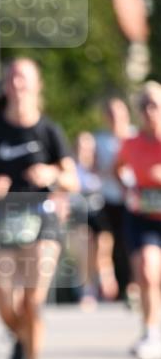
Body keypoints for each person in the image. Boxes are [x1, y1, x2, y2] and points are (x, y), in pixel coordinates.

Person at [0, 59, 79, 359]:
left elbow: (73, 179)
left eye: (24, 78)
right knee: (4, 299)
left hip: (41, 218)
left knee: (32, 300)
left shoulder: (48, 130)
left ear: (36, 85)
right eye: (13, 77)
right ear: (7, 85)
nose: (17, 83)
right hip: (2, 217)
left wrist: (53, 175)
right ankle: (21, 337)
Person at [116, 81, 161, 359]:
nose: (148, 111)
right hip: (142, 216)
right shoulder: (131, 144)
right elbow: (117, 168)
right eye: (143, 106)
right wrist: (128, 188)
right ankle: (150, 331)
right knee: (146, 271)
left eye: (154, 105)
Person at [93, 98, 135, 301]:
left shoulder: (135, 136)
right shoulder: (100, 140)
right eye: (110, 114)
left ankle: (133, 285)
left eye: (118, 113)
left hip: (134, 200)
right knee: (107, 243)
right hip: (108, 198)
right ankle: (109, 284)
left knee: (131, 244)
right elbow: (91, 168)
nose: (115, 118)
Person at [73, 130, 107, 308]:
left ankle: (105, 282)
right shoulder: (72, 167)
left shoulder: (100, 168)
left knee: (103, 247)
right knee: (84, 246)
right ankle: (87, 289)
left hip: (100, 215)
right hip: (79, 215)